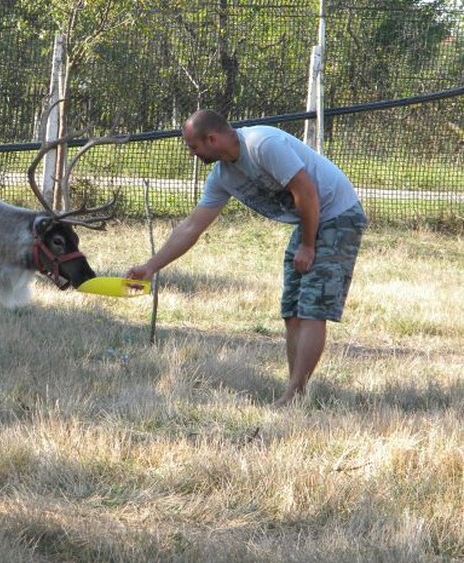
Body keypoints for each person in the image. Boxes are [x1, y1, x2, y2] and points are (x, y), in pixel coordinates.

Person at [126, 110, 367, 406]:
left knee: (312, 309)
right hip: (308, 221)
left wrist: (307, 245)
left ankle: (294, 396)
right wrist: (151, 266)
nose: (192, 154)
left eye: (193, 147)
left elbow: (307, 191)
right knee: (292, 310)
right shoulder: (223, 176)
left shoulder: (262, 144)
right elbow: (192, 226)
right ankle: (294, 391)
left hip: (337, 215)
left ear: (211, 139)